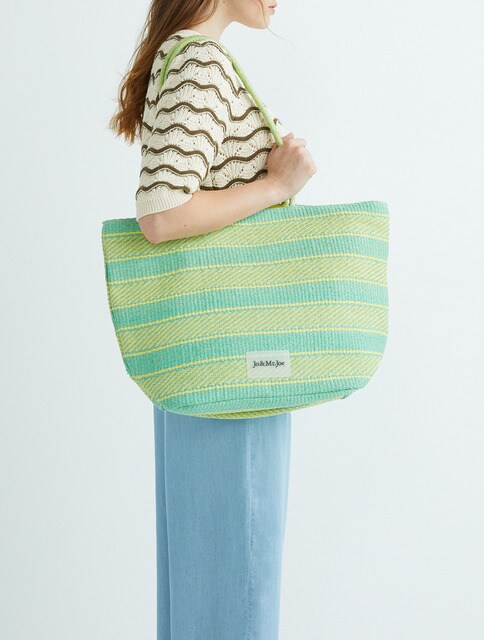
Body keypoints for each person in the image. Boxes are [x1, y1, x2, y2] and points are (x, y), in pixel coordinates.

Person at [109, 1, 317, 638]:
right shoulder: (201, 62)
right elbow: (162, 213)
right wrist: (276, 187)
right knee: (236, 584)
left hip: (204, 356)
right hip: (236, 366)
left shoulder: (183, 57)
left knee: (204, 588)